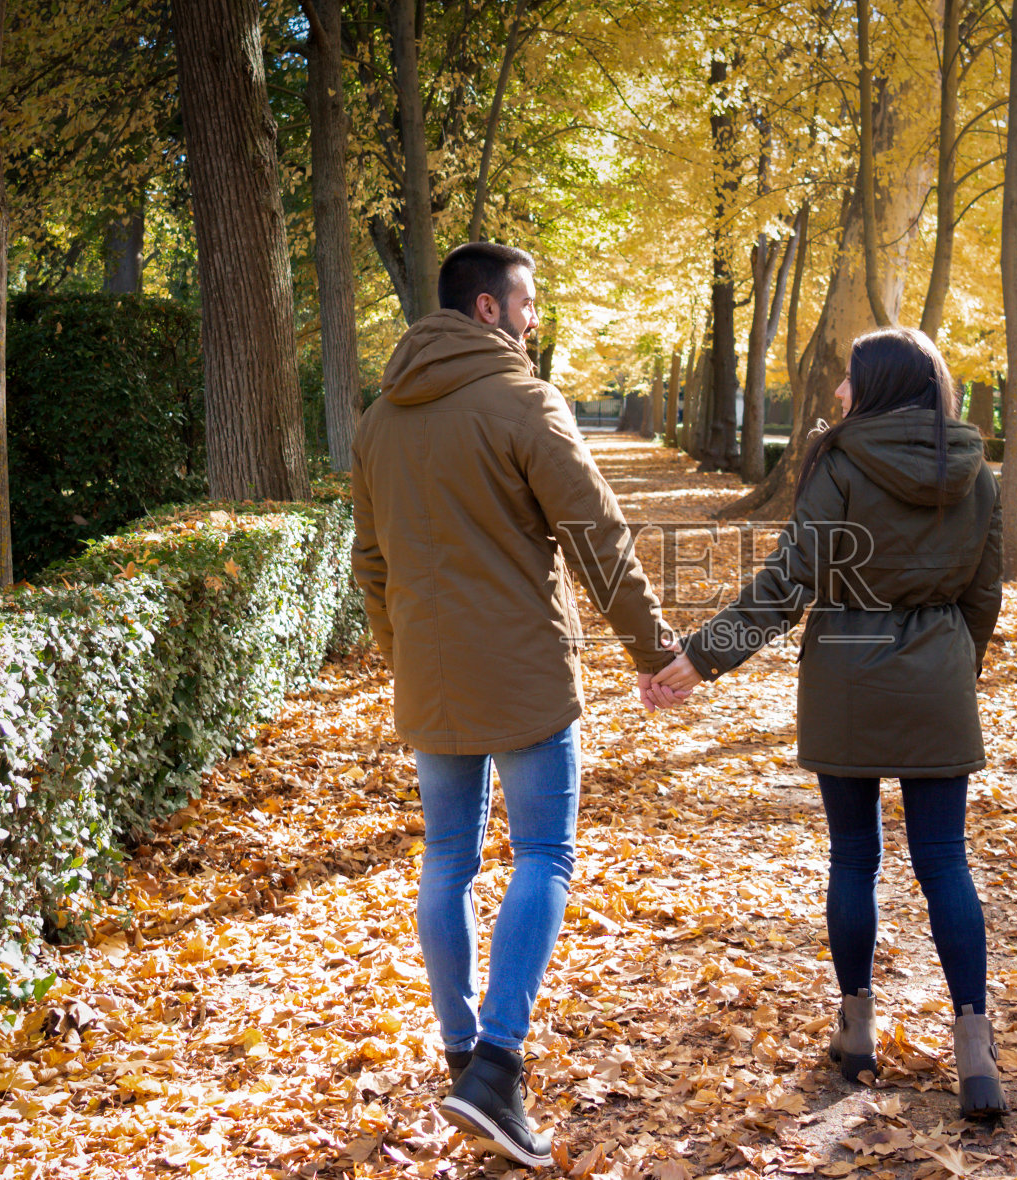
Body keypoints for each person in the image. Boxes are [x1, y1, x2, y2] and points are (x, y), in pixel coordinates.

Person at [351, 241, 679, 1166]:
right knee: (544, 850)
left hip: (431, 675)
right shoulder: (525, 401)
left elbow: (369, 565)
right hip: (528, 674)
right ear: (489, 309)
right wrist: (654, 654)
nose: (536, 318)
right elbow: (596, 534)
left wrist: (402, 654)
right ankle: (495, 1066)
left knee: (447, 860)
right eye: (528, 302)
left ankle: (460, 1053)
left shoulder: (379, 420)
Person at [650, 327, 1010, 1120]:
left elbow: (789, 583)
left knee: (855, 856)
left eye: (848, 379)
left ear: (877, 385)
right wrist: (953, 667)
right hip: (939, 679)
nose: (838, 394)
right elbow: (984, 594)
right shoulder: (974, 471)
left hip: (848, 676)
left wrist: (704, 656)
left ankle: (857, 1033)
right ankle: (976, 1051)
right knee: (945, 862)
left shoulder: (840, 463)